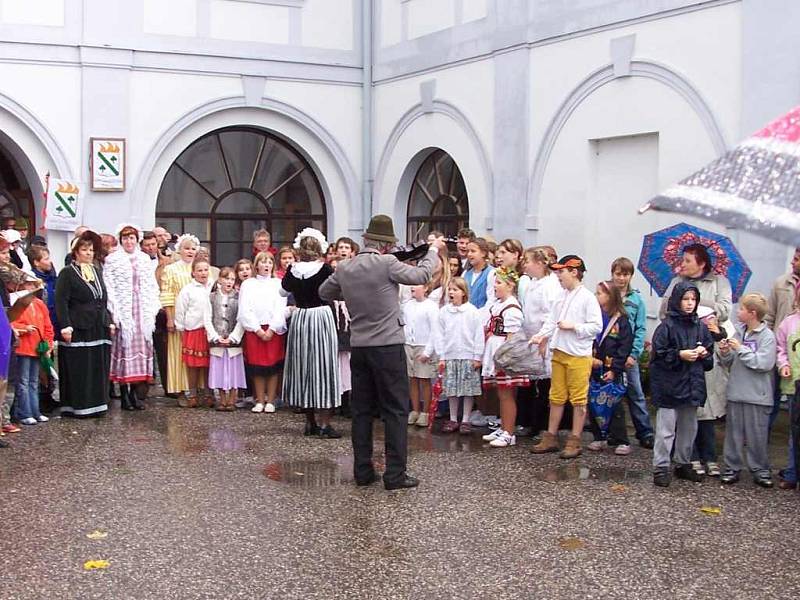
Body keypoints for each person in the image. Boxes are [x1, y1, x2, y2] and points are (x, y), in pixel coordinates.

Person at [319, 214, 444, 490]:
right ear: (386, 245)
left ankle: (363, 471)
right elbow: (421, 275)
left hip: (360, 346)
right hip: (387, 346)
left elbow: (324, 291)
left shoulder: (346, 267)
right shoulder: (387, 262)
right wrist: (433, 250)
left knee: (362, 411)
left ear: (366, 240)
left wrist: (353, 294)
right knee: (396, 411)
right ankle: (395, 474)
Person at [659, 243, 732, 477]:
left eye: (688, 260)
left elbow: (724, 309)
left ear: (701, 262)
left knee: (703, 407)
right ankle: (672, 462)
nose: (683, 264)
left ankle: (703, 456)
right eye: (686, 298)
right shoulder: (675, 285)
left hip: (703, 347)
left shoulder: (718, 282)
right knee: (672, 419)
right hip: (676, 362)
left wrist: (701, 308)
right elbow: (664, 312)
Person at [530, 255, 602, 459]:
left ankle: (575, 439)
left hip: (578, 355)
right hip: (559, 351)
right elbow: (551, 321)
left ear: (574, 272)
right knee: (556, 396)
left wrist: (574, 327)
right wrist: (540, 336)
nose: (558, 276)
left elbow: (596, 327)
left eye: (561, 272)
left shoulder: (587, 297)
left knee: (578, 398)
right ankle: (551, 436)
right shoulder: (560, 296)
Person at [649, 281, 714, 487]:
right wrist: (679, 354)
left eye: (693, 299)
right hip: (670, 386)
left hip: (692, 384)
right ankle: (661, 466)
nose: (689, 303)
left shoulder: (700, 327)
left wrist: (704, 353)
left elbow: (709, 358)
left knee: (689, 428)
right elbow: (658, 356)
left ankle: (683, 462)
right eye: (686, 299)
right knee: (666, 429)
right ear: (677, 301)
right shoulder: (665, 327)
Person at [281, 229, 341, 437]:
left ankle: (309, 422)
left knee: (303, 366)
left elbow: (283, 291)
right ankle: (325, 424)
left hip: (301, 317)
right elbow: (334, 291)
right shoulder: (324, 270)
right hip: (320, 316)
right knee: (323, 366)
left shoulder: (293, 270)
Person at [718, 293, 776, 487]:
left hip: (757, 395)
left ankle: (760, 469)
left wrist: (741, 349)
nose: (738, 311)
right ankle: (731, 467)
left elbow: (763, 363)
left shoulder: (767, 336)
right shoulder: (739, 332)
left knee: (756, 435)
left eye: (742, 309)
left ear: (752, 313)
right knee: (733, 434)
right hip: (736, 391)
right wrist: (725, 352)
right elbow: (730, 363)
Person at [55, 231, 113, 417]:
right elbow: (61, 300)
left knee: (97, 364)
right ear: (76, 252)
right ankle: (78, 406)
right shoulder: (67, 273)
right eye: (85, 250)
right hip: (78, 325)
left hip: (98, 324)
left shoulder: (96, 271)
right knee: (80, 366)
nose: (89, 253)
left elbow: (103, 298)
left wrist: (109, 320)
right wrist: (66, 325)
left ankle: (97, 404)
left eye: (91, 250)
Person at [104, 225, 161, 411]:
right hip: (125, 309)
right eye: (126, 238)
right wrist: (115, 311)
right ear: (121, 240)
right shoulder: (113, 260)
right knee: (124, 350)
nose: (129, 242)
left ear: (137, 240)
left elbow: (151, 285)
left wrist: (152, 308)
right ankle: (125, 394)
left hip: (141, 309)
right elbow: (110, 287)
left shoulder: (144, 259)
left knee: (142, 350)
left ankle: (137, 394)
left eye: (132, 238)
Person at [480, 267, 528, 448]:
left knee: (507, 394)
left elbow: (512, 337)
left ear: (510, 286)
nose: (495, 287)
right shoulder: (499, 304)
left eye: (499, 283)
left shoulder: (512, 307)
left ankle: (509, 432)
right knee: (501, 394)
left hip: (504, 354)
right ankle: (503, 427)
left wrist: (504, 358)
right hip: (496, 349)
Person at [611, 257, 655, 448]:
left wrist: (634, 354)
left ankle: (644, 432)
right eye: (618, 274)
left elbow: (640, 329)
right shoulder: (607, 295)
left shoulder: (636, 299)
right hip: (610, 352)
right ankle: (612, 431)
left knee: (635, 393)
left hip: (628, 353)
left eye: (625, 274)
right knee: (611, 393)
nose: (621, 278)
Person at [518, 247, 562, 437]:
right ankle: (529, 421)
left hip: (544, 339)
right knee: (530, 384)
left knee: (545, 386)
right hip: (532, 338)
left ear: (538, 263)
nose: (524, 265)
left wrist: (544, 339)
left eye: (527, 261)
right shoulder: (533, 283)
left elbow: (549, 314)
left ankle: (543, 426)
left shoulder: (550, 286)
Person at [587, 281, 634, 454]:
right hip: (595, 366)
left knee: (614, 404)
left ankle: (622, 439)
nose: (596, 296)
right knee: (593, 401)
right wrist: (590, 358)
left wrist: (615, 369)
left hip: (612, 368)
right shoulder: (595, 316)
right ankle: (599, 437)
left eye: (600, 293)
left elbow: (624, 347)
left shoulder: (621, 320)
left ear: (610, 296)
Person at [238, 251, 286, 414]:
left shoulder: (278, 283)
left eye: (270, 262)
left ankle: (271, 400)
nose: (266, 265)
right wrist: (258, 330)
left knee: (273, 366)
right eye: (263, 262)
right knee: (257, 366)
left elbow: (281, 309)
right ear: (256, 265)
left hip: (273, 329)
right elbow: (245, 309)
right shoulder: (248, 284)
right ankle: (259, 399)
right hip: (255, 330)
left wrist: (272, 329)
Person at [435, 277, 483, 434]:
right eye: (450, 289)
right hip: (450, 355)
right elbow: (439, 334)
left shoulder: (472, 311)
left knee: (467, 390)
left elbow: (478, 335)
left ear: (463, 293)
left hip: (468, 355)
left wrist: (477, 356)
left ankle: (466, 419)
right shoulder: (444, 312)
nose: (451, 292)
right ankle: (453, 418)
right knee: (452, 389)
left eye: (455, 290)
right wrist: (441, 356)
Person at [160, 234, 199, 404]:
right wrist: (170, 318)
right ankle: (182, 389)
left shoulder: (201, 268)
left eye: (192, 248)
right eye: (186, 248)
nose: (190, 251)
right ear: (179, 250)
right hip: (179, 319)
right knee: (179, 355)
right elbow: (167, 295)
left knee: (198, 354)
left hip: (198, 320)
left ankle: (198, 389)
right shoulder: (171, 269)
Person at [766, 246, 800, 428]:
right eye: (793, 258)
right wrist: (769, 342)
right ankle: (764, 437)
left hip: (798, 354)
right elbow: (770, 315)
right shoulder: (781, 283)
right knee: (772, 396)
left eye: (796, 259)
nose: (792, 262)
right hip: (779, 348)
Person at [11, 285, 54, 425]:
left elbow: (48, 326)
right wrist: (24, 328)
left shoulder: (39, 303)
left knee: (34, 382)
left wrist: (48, 344)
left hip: (37, 348)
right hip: (22, 347)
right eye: (29, 285)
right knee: (23, 382)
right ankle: (25, 413)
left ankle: (35, 411)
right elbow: (11, 322)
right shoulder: (17, 302)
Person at [205, 267, 246, 411]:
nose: (229, 282)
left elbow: (242, 318)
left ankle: (232, 400)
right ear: (220, 280)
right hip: (217, 340)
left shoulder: (239, 296)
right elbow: (207, 318)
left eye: (232, 279)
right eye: (226, 278)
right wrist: (215, 337)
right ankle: (222, 400)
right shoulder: (211, 297)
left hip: (234, 340)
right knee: (220, 371)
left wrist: (234, 337)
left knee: (234, 371)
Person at [175, 257, 213, 407]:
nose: (203, 273)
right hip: (193, 330)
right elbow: (180, 309)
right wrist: (180, 326)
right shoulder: (187, 290)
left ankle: (209, 393)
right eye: (199, 270)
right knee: (193, 365)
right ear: (193, 273)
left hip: (209, 331)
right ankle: (192, 394)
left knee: (208, 365)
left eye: (205, 270)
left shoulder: (213, 287)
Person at [403, 284, 439, 428]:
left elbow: (435, 330)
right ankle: (415, 409)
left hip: (423, 345)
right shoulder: (407, 305)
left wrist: (428, 351)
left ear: (425, 288)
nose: (412, 288)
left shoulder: (431, 306)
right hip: (409, 344)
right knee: (412, 378)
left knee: (424, 379)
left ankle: (426, 412)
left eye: (416, 286)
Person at [775, 286, 800, 490]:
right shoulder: (789, 322)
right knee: (795, 431)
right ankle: (792, 472)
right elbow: (781, 348)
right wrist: (783, 364)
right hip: (794, 386)